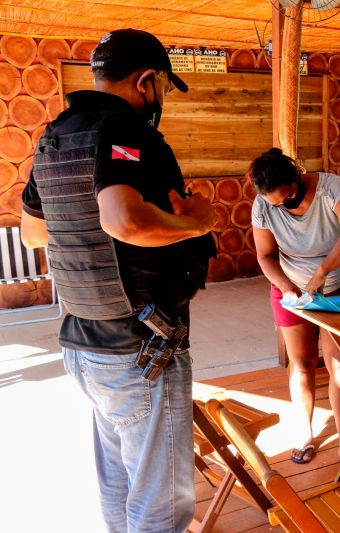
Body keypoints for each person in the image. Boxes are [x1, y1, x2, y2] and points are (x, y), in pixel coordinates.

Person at [20, 29, 216, 532]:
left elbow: (33, 233)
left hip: (84, 343)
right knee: (161, 504)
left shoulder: (55, 136)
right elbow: (123, 221)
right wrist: (198, 222)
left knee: (119, 478)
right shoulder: (125, 130)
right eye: (164, 88)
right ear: (146, 81)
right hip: (139, 350)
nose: (161, 99)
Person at [249, 148, 340, 464]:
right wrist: (287, 288)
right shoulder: (263, 206)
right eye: (276, 203)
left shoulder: (331, 188)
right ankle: (304, 434)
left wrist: (322, 272)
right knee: (300, 362)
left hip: (339, 286)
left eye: (288, 197)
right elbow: (265, 256)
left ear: (297, 177)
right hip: (289, 290)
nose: (284, 206)